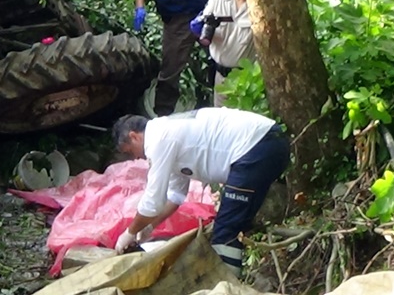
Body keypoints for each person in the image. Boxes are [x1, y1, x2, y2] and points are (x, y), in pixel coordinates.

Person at [111, 108, 290, 277]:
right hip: (266, 144)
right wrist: (149, 227)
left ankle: (227, 285)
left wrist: (130, 232)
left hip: (257, 146)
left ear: (134, 136)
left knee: (225, 232)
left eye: (130, 152)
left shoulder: (158, 139)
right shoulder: (166, 133)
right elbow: (175, 196)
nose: (135, 158)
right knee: (235, 222)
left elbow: (153, 201)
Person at [192, 0, 255, 107]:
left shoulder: (258, 1)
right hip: (221, 76)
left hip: (248, 78)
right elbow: (205, 25)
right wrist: (199, 28)